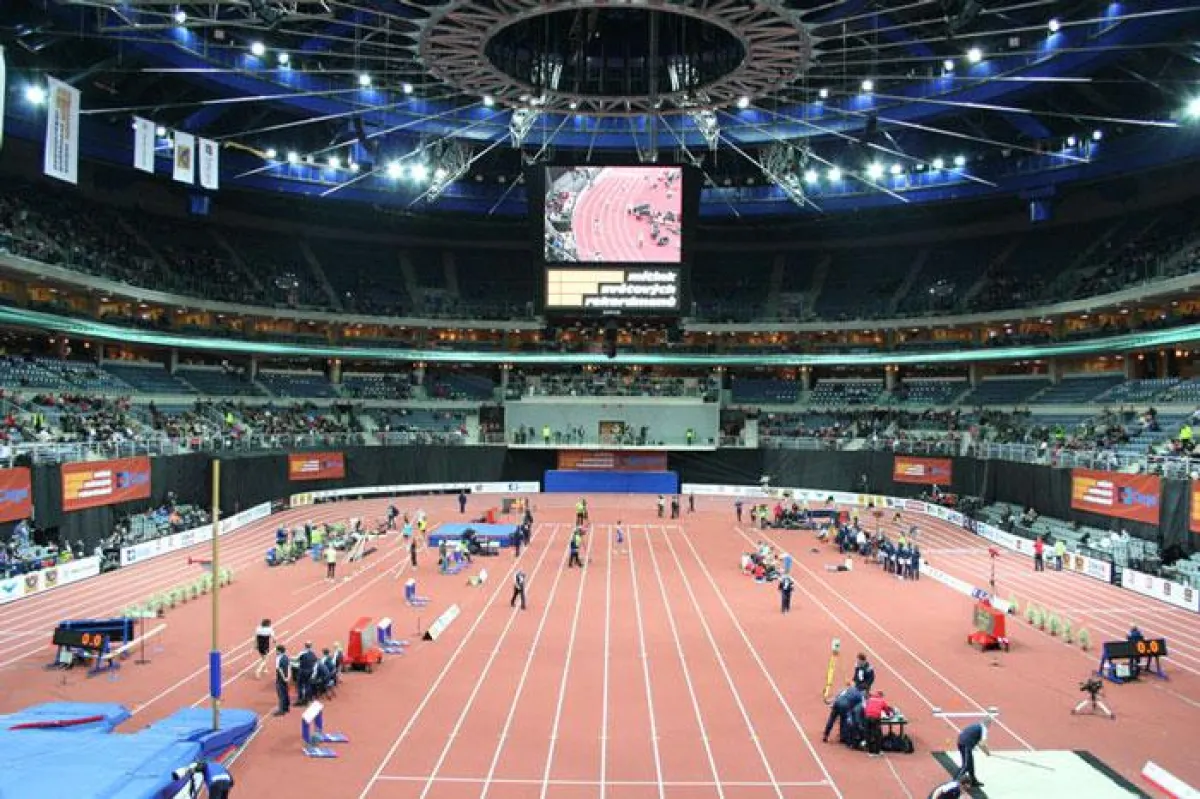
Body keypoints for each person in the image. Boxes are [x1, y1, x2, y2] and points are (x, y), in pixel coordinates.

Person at [955, 717, 992, 787]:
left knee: (970, 763)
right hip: (966, 744)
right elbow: (982, 744)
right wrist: (987, 753)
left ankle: (973, 781)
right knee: (966, 765)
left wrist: (986, 752)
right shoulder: (984, 729)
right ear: (988, 724)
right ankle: (954, 782)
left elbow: (978, 742)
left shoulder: (976, 726)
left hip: (961, 742)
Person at [863, 690, 893, 756]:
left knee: (869, 734)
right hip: (875, 718)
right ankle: (877, 751)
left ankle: (870, 752)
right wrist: (889, 715)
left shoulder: (869, 699)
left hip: (867, 717)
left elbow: (865, 709)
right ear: (881, 695)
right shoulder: (882, 701)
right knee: (878, 734)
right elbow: (887, 710)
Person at [273, 644, 291, 716]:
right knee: (285, 692)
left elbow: (279, 669)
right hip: (286, 677)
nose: (276, 652)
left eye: (276, 650)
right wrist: (288, 677)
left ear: (279, 651)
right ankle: (286, 707)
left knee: (281, 694)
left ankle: (281, 710)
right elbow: (289, 667)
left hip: (281, 678)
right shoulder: (286, 657)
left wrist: (283, 678)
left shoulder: (278, 658)